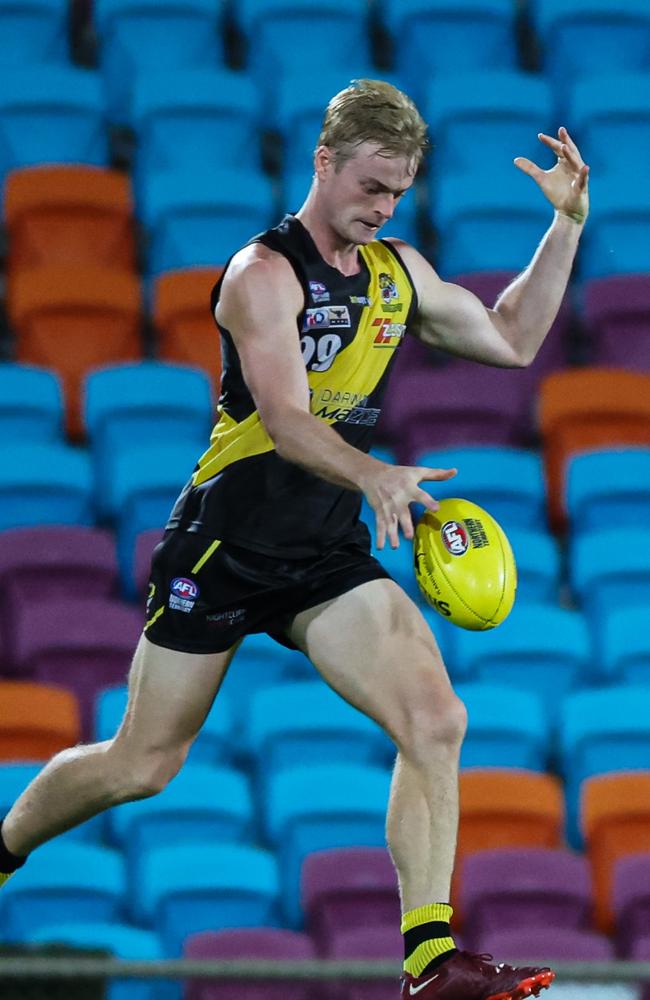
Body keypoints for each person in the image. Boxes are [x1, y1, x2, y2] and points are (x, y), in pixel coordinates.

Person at [0, 79, 588, 999]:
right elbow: (283, 418)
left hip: (322, 550)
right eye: (369, 185)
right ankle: (1, 848)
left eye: (397, 192)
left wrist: (567, 228)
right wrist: (376, 473)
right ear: (324, 161)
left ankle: (431, 960)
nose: (382, 206)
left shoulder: (399, 272)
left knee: (436, 720)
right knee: (141, 765)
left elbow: (513, 339)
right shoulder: (259, 274)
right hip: (224, 541)